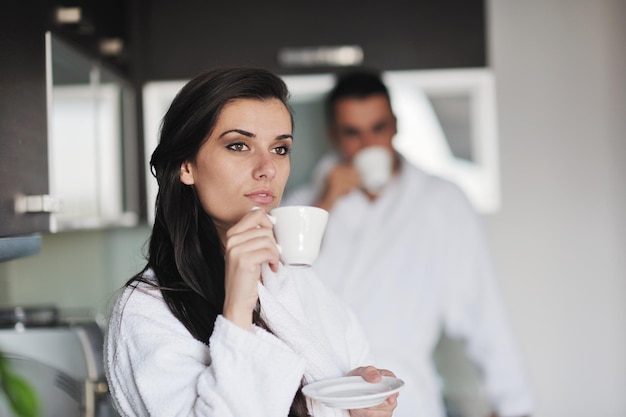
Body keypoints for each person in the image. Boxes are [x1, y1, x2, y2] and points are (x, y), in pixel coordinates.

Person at [104, 67, 399, 417]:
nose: (267, 168)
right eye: (239, 145)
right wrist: (237, 311)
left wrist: (358, 406)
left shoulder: (295, 281)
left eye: (279, 148)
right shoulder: (147, 311)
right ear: (186, 166)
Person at [283, 69, 534, 417]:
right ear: (333, 136)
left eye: (378, 128)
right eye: (353, 133)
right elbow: (278, 290)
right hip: (319, 400)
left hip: (407, 396)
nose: (368, 145)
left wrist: (516, 408)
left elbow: (484, 313)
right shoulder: (303, 205)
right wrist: (327, 200)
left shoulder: (442, 201)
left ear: (396, 125)